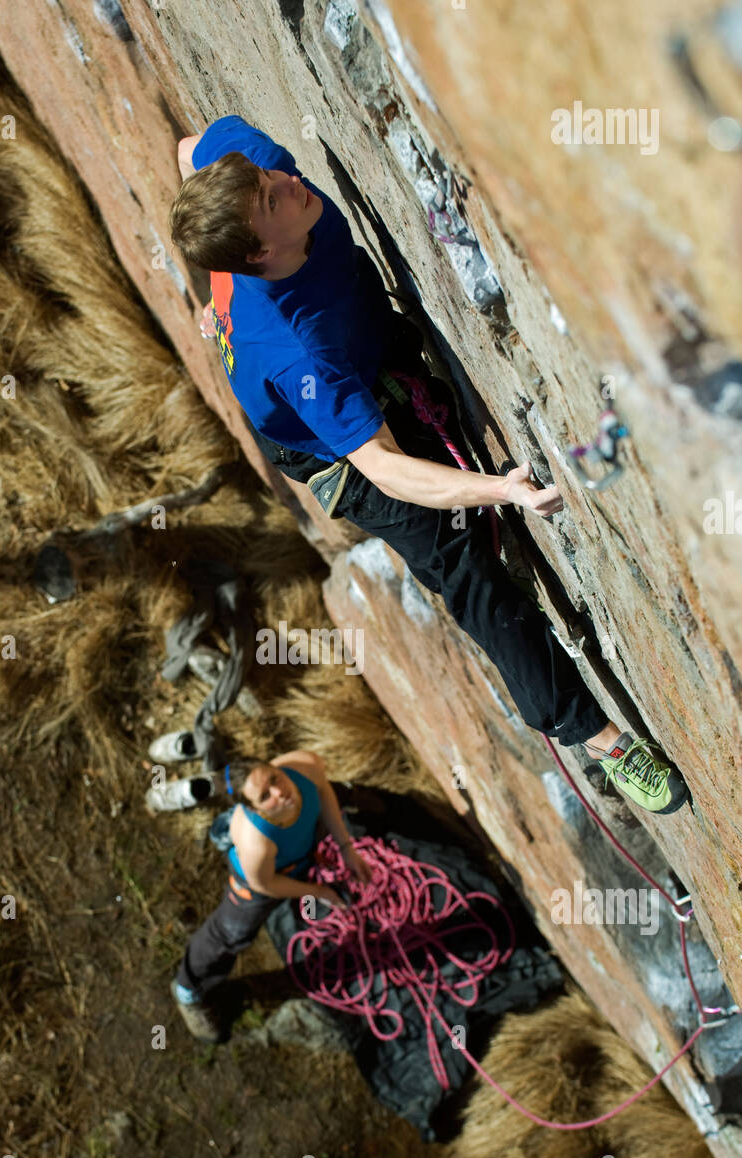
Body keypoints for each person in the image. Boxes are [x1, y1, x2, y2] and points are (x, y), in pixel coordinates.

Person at [168, 116, 688, 818]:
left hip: (359, 344)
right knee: (469, 575)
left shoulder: (253, 175)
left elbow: (187, 151)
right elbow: (384, 468)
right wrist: (497, 490)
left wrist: (212, 293)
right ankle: (597, 742)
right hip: (338, 452)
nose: (288, 179)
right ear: (259, 250)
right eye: (271, 198)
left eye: (268, 179)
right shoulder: (294, 352)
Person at [171, 749, 372, 1042]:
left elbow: (324, 791)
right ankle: (187, 988)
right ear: (255, 809)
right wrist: (318, 891)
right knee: (232, 932)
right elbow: (266, 884)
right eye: (266, 796)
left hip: (296, 852)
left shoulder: (304, 766)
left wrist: (345, 848)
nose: (280, 791)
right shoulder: (256, 844)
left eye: (275, 778)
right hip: (258, 879)